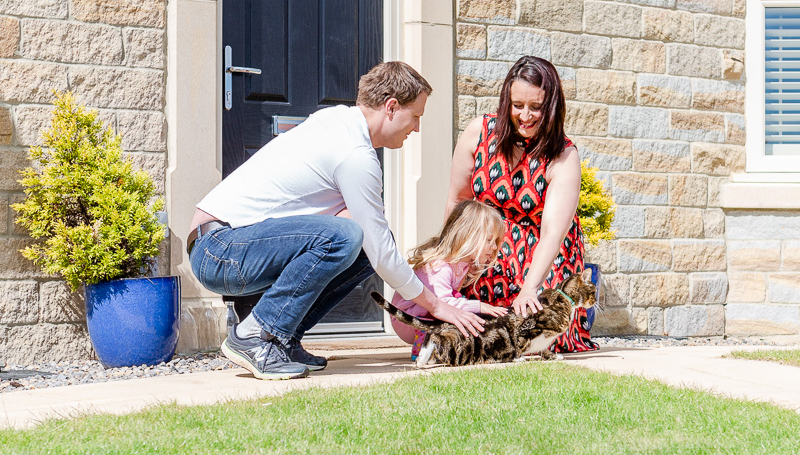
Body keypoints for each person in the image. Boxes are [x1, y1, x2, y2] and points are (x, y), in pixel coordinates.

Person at [188, 61, 485, 381]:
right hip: (218, 249)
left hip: (229, 245)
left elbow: (376, 245)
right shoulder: (354, 153)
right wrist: (438, 306)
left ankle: (283, 339)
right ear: (391, 107)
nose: (416, 128)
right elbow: (382, 253)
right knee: (347, 237)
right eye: (415, 117)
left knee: (360, 247)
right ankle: (257, 335)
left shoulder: (338, 122)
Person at [445, 55, 596, 353]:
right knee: (470, 323)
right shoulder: (479, 132)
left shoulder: (564, 155)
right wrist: (448, 260)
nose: (525, 115)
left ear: (551, 107)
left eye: (536, 107)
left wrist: (530, 287)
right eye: (517, 106)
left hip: (540, 251)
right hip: (487, 245)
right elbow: (457, 200)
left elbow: (553, 232)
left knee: (541, 327)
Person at [389, 199, 507, 359]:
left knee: (460, 308)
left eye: (496, 242)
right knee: (458, 312)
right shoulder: (439, 266)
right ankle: (425, 347)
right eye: (489, 240)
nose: (494, 247)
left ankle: (441, 343)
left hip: (418, 313)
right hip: (405, 319)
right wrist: (479, 306)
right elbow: (442, 303)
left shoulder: (462, 263)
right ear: (468, 236)